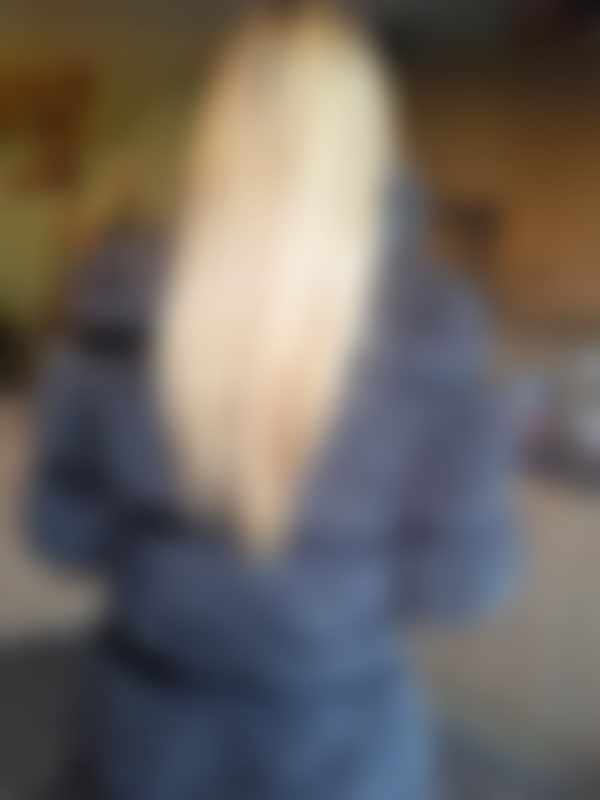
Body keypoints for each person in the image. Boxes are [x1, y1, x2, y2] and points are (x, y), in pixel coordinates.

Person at [29, 6, 519, 799]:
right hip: (336, 744)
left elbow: (63, 537)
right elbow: (460, 588)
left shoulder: (114, 312)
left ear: (214, 135)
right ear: (371, 143)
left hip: (150, 729)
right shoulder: (435, 340)